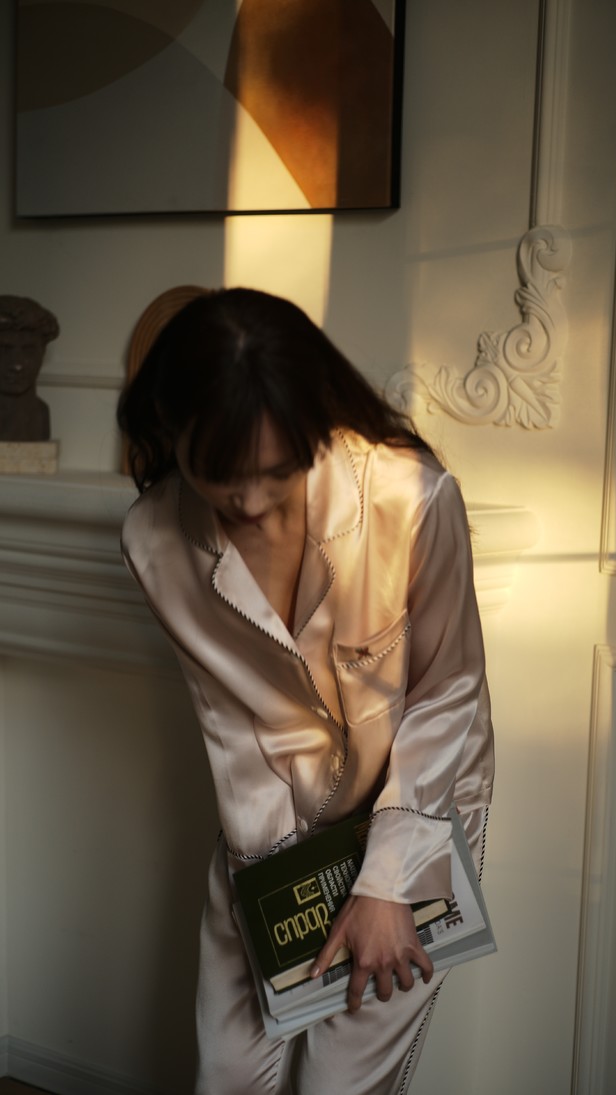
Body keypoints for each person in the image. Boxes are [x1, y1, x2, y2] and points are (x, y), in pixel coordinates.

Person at [117, 288, 494, 1095]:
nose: (250, 504)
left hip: (417, 800)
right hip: (267, 821)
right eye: (221, 477)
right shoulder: (153, 540)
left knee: (338, 1085)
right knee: (227, 1073)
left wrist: (387, 880)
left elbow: (448, 690)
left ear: (315, 425)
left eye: (277, 473)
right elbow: (231, 724)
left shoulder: (411, 496)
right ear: (172, 430)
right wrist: (274, 899)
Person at [0, 294, 59, 441]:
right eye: (4, 350)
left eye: (29, 350)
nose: (17, 365)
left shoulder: (41, 413)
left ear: (43, 352)